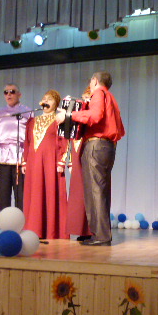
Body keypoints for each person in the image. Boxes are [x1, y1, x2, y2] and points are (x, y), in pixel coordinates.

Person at [56, 72, 125, 246]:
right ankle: (102, 234)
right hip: (107, 146)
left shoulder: (99, 93)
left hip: (96, 145)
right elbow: (120, 128)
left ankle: (101, 236)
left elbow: (95, 116)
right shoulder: (111, 97)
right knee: (101, 191)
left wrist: (69, 116)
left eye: (91, 81)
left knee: (95, 191)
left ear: (95, 80)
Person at [21, 89, 69, 239]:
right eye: (44, 98)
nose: (46, 101)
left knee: (50, 191)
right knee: (34, 192)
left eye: (50, 99)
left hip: (50, 161)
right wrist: (24, 161)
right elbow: (27, 143)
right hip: (33, 162)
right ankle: (34, 228)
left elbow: (64, 141)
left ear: (56, 104)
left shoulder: (59, 120)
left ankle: (51, 230)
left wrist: (61, 161)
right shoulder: (32, 122)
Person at [0, 83, 33, 211]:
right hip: (3, 157)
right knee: (4, 195)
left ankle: (21, 221)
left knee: (20, 195)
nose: (9, 94)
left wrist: (28, 158)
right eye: (6, 92)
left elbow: (30, 137)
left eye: (12, 91)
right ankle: (5, 221)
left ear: (19, 94)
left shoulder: (27, 111)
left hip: (20, 157)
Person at [65, 87, 92, 241]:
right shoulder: (77, 116)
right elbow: (69, 138)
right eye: (85, 97)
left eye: (89, 98)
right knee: (78, 194)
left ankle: (90, 230)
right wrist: (69, 161)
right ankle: (80, 230)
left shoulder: (94, 116)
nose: (86, 100)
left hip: (89, 157)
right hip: (76, 157)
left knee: (89, 193)